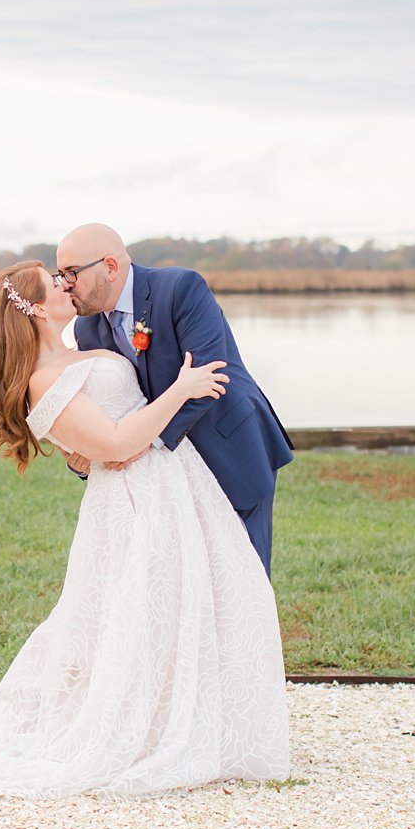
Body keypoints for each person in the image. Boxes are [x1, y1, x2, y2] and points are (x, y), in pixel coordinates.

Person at [0, 261, 290, 797]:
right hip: (135, 500)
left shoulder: (85, 341)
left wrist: (103, 444)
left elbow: (101, 438)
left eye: (65, 274)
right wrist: (181, 389)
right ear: (33, 306)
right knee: (137, 611)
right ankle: (148, 730)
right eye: (53, 281)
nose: (65, 283)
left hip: (177, 484)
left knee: (196, 602)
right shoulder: (41, 381)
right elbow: (114, 446)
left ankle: (206, 722)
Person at [56, 224, 293, 577]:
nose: (64, 285)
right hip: (167, 480)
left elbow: (211, 376)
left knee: (246, 577)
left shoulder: (180, 288)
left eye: (72, 273)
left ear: (110, 266)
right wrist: (86, 452)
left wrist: (141, 443)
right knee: (191, 583)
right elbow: (110, 406)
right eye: (60, 275)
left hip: (229, 446)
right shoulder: (86, 330)